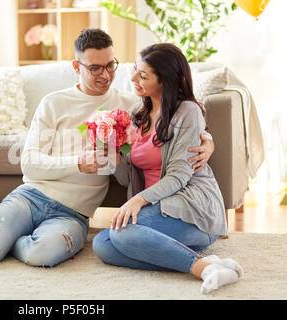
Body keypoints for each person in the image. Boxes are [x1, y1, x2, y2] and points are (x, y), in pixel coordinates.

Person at [0, 29, 213, 267]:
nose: (106, 74)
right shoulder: (53, 102)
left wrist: (208, 140)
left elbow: (175, 115)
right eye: (95, 68)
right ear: (76, 67)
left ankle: (3, 236)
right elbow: (29, 163)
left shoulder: (131, 105)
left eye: (110, 65)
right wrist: (77, 163)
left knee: (41, 255)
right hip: (31, 197)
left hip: (73, 215)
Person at [92, 43, 243, 294]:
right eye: (135, 70)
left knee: (121, 234)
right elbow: (124, 177)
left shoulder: (188, 112)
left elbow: (180, 176)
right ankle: (207, 264)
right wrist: (110, 151)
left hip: (191, 208)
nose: (133, 79)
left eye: (143, 75)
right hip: (158, 208)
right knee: (103, 245)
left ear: (166, 81)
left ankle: (202, 269)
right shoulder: (138, 115)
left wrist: (138, 201)